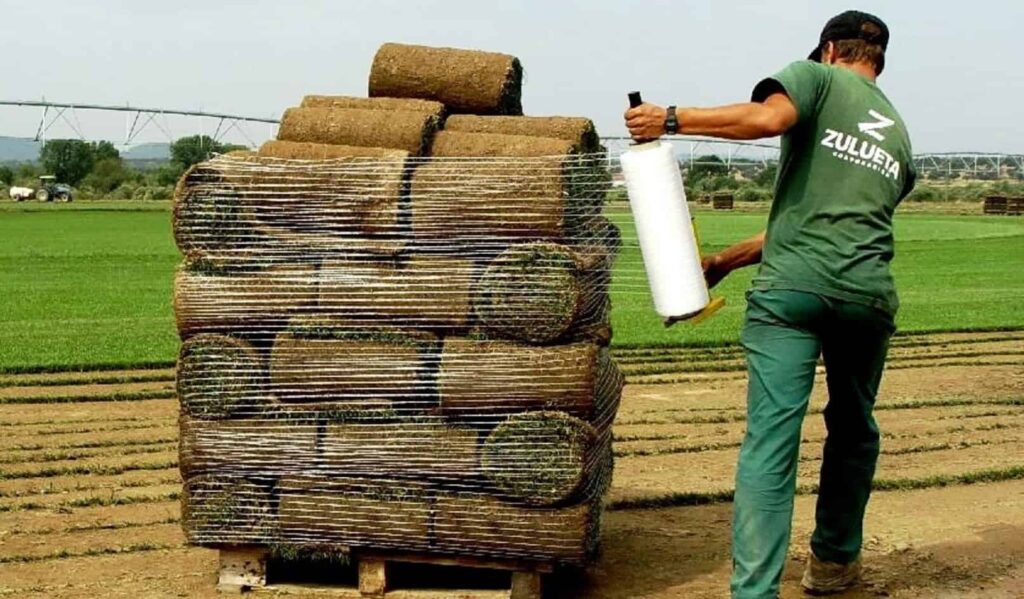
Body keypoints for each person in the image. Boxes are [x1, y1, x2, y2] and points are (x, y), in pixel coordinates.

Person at [624, 10, 916, 599]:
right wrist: (723, 261)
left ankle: (755, 591)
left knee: (773, 439)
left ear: (829, 50)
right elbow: (820, 223)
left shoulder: (817, 78)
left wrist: (670, 118)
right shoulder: (901, 137)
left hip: (790, 296)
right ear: (879, 60)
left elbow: (766, 118)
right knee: (853, 430)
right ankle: (834, 563)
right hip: (867, 297)